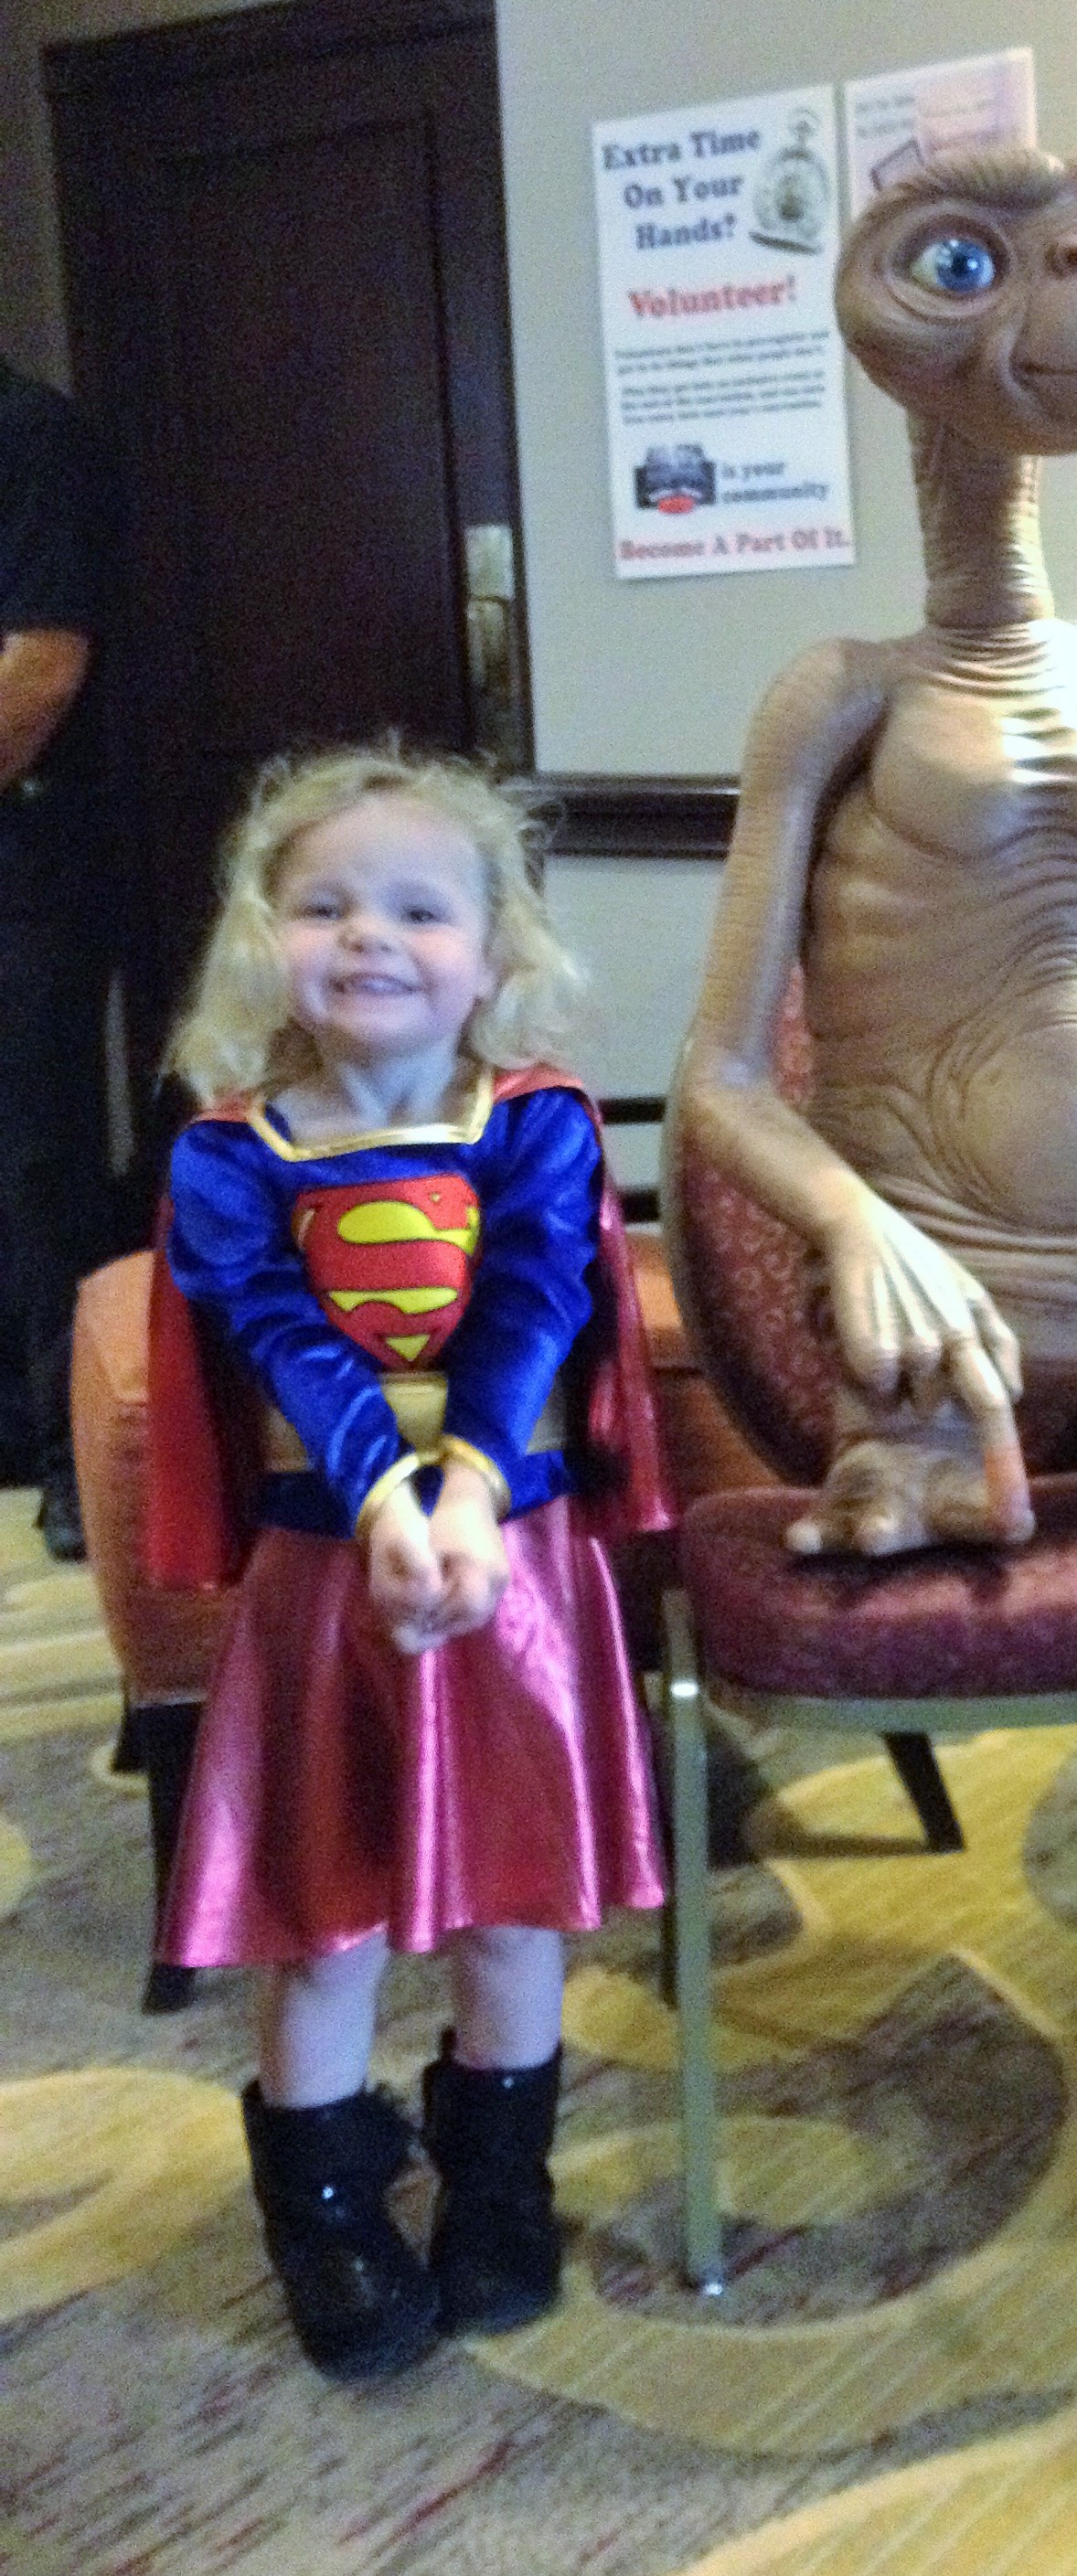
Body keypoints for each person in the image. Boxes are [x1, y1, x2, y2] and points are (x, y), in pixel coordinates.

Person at [145, 749, 671, 2381]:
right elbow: (277, 1331)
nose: (370, 934)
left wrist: (467, 1492)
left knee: (515, 1909)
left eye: (418, 909)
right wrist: (386, 1494)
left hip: (513, 1573)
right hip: (329, 1583)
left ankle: (498, 2180)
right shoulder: (230, 1156)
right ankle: (319, 2203)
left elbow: (534, 1299)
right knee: (325, 1919)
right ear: (266, 939)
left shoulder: (539, 1124)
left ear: (495, 952)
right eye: (326, 905)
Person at [0, 355, 120, 1557]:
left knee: (39, 1164)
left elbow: (39, 671)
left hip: (26, 862)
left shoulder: (29, 435)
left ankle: (72, 1462)